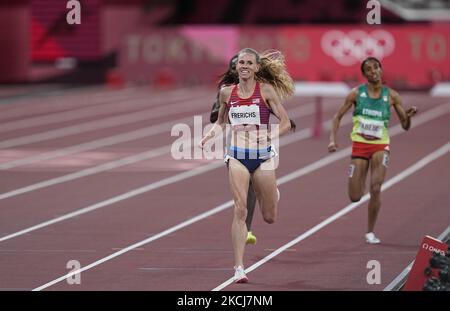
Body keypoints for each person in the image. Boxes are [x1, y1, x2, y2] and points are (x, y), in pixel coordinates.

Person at [201, 48, 295, 283]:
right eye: (240, 62)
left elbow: (285, 123)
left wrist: (271, 135)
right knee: (240, 209)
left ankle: (272, 193)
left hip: (262, 156)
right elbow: (221, 122)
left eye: (248, 63)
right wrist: (208, 136)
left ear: (256, 68)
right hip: (237, 156)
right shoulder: (226, 93)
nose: (243, 65)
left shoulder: (265, 90)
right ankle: (239, 267)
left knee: (270, 216)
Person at [328, 57, 417, 244]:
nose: (373, 71)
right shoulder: (356, 94)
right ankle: (359, 195)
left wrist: (408, 116)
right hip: (359, 146)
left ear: (381, 69)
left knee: (376, 188)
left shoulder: (392, 95)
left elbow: (405, 126)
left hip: (380, 146)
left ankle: (370, 231)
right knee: (354, 197)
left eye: (376, 67)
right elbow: (337, 117)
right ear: (364, 74)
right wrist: (332, 140)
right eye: (368, 69)